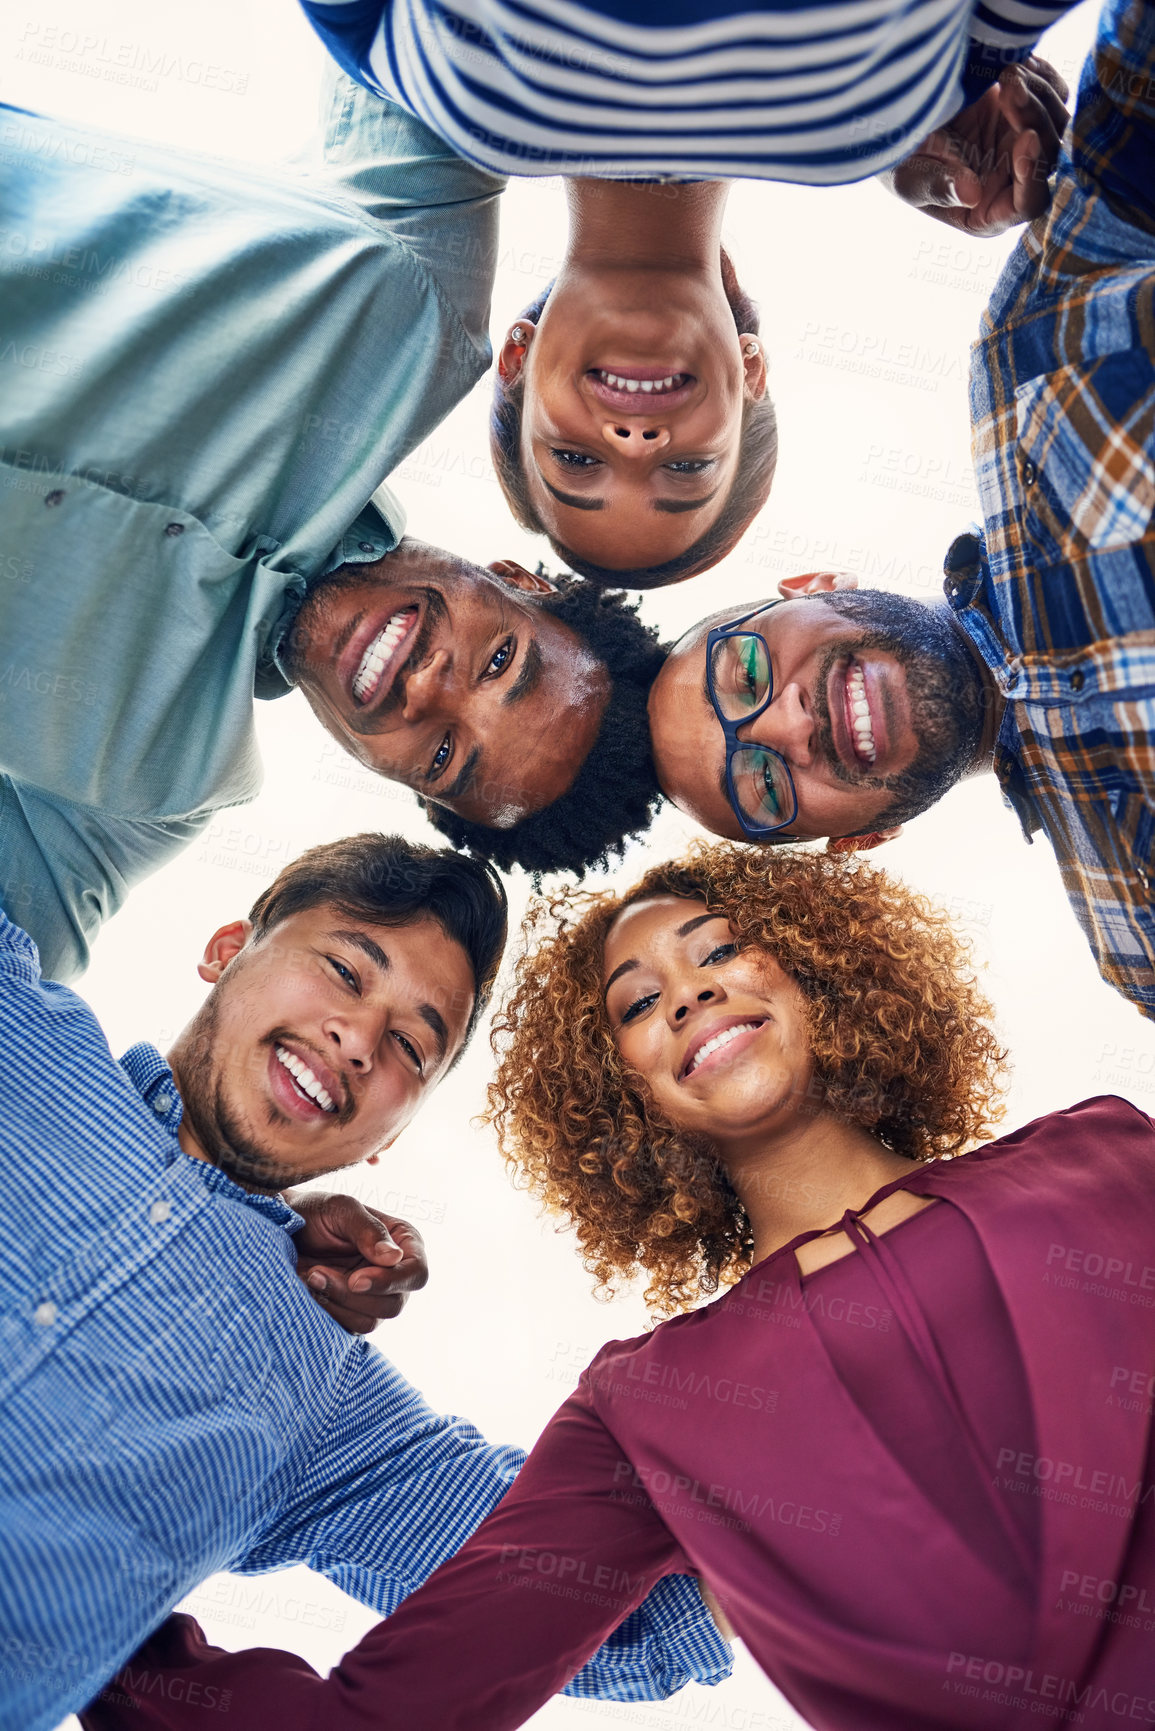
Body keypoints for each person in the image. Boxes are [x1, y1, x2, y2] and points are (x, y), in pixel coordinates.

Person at [77, 840, 1155, 1730]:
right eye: (638, 1004)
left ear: (815, 969)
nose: (689, 995)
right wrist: (81, 1621)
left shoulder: (1109, 1158)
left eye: (721, 950)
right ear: (621, 1095)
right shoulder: (647, 1410)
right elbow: (404, 1708)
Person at [0, 830, 731, 1731]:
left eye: (411, 1050)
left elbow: (611, 1593)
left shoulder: (326, 1404)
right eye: (346, 971)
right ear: (229, 947)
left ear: (391, 1136)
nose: (358, 1040)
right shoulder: (20, 1025)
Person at [0, 75, 679, 983]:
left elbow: (16, 989)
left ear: (391, 777)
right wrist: (655, 263)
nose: (432, 688)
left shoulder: (150, 786)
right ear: (521, 575)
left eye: (444, 756)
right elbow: (466, 39)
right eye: (501, 663)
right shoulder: (412, 298)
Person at [645, 0, 1155, 1018]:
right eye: (765, 790)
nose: (784, 724)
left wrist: (937, 67)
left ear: (812, 584)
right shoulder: (1132, 934)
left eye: (744, 667)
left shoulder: (1033, 355)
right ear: (860, 838)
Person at [301, 1, 1074, 586]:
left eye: (573, 458)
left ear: (516, 357)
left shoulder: (453, 95)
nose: (636, 449)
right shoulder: (885, 117)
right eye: (686, 473)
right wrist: (954, 77)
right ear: (751, 373)